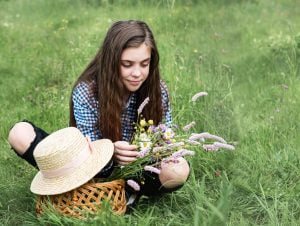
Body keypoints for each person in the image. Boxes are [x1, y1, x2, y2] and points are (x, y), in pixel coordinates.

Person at [8, 20, 189, 198]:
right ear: (111, 61)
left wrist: (156, 148)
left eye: (144, 64)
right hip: (89, 169)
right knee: (19, 133)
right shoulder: (87, 92)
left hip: (139, 167)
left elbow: (167, 136)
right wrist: (110, 152)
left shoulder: (157, 89)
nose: (137, 73)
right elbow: (88, 155)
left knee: (178, 169)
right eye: (127, 64)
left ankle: (114, 194)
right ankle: (99, 192)